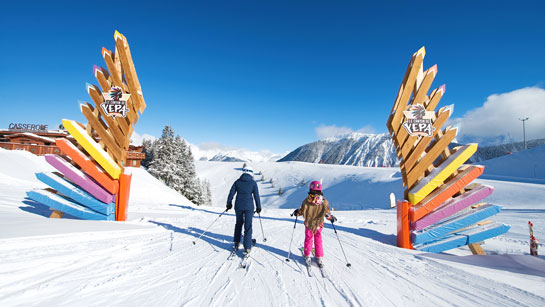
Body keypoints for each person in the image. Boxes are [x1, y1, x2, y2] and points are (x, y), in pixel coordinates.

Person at [292, 181, 336, 268]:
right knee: (318, 239)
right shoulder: (324, 202)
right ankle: (319, 256)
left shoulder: (306, 201)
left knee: (308, 238)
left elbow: (301, 211)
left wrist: (297, 212)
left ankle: (307, 255)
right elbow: (327, 213)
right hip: (319, 224)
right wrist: (330, 217)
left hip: (309, 224)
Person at [226, 165, 262, 255]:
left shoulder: (237, 182)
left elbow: (231, 193)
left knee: (238, 223)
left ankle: (237, 242)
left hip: (238, 206)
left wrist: (229, 203)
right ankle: (247, 247)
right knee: (248, 226)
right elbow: (256, 196)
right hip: (249, 207)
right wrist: (258, 207)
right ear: (251, 173)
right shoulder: (253, 183)